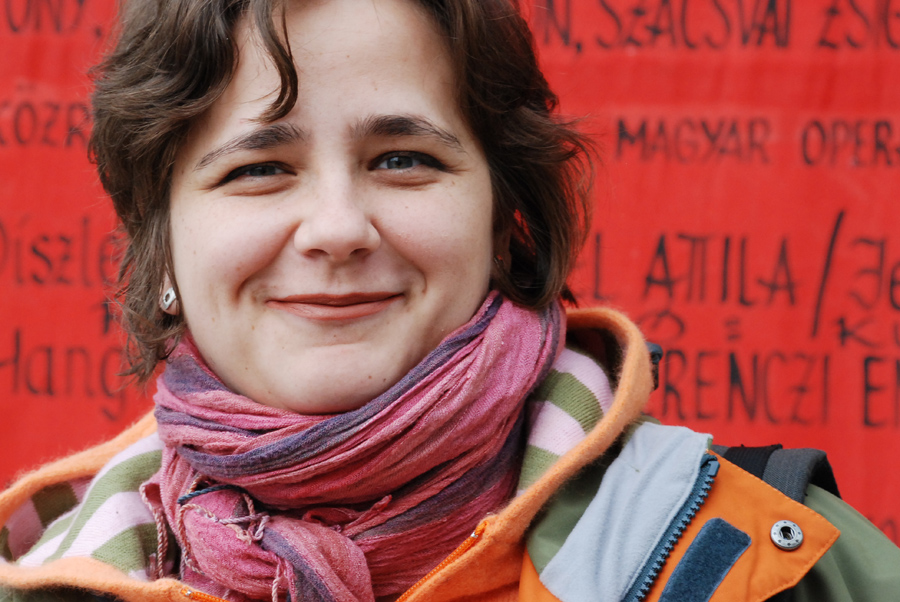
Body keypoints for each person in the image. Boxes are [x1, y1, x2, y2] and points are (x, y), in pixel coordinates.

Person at [1, 0, 898, 601]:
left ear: (506, 220)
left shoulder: (785, 564)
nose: (337, 228)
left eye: (403, 159)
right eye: (259, 169)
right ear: (161, 241)